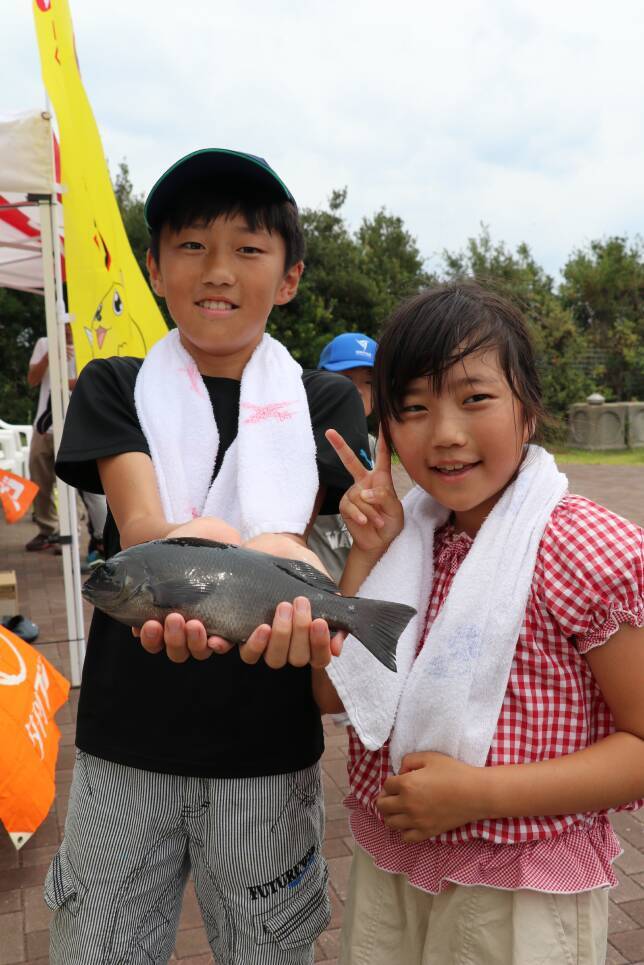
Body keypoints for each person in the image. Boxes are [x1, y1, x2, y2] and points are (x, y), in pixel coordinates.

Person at [48, 148, 368, 965]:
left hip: (267, 752)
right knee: (101, 947)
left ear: (289, 276)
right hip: (125, 748)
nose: (218, 270)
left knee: (266, 949)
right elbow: (144, 522)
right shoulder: (114, 384)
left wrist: (298, 571)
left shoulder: (324, 399)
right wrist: (222, 546)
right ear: (154, 268)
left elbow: (312, 548)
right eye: (190, 245)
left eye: (249, 249)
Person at [316, 282, 644, 965]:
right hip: (395, 866)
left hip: (519, 887)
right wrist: (368, 555)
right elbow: (331, 693)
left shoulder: (582, 549)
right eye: (413, 406)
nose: (445, 433)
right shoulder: (409, 543)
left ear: (528, 406)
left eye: (474, 397)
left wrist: (478, 793)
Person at [307, 332, 377, 581]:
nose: (357, 390)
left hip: (358, 587)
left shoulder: (377, 448)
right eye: (346, 378)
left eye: (369, 382)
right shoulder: (304, 443)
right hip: (310, 584)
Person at [24, 325, 75, 550]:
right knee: (39, 480)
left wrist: (63, 384)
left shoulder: (90, 339)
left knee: (74, 483)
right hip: (44, 427)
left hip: (75, 426)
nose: (66, 329)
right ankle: (47, 530)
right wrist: (50, 355)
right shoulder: (44, 343)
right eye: (61, 324)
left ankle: (72, 533)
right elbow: (32, 379)